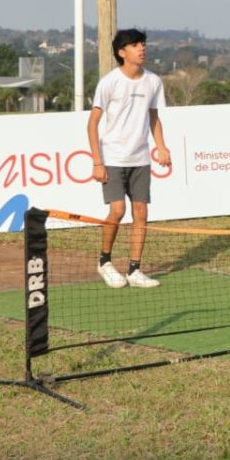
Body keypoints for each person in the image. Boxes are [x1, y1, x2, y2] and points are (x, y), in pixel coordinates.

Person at [87, 28, 172, 288]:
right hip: (112, 157)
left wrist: (161, 147)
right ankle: (104, 261)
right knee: (118, 210)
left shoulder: (153, 81)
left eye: (143, 44)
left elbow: (154, 117)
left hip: (141, 159)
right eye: (135, 45)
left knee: (141, 213)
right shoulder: (109, 82)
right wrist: (97, 161)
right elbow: (92, 124)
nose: (142, 49)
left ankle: (135, 270)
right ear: (122, 52)